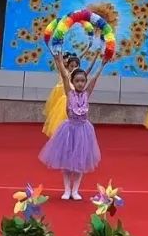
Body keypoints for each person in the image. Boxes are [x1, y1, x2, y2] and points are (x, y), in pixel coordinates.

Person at [39, 49, 108, 200]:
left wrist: (102, 65)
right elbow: (64, 75)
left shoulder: (86, 93)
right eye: (77, 81)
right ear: (72, 81)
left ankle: (75, 190)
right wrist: (58, 59)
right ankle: (66, 189)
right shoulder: (69, 92)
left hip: (83, 130)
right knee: (67, 162)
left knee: (80, 161)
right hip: (69, 130)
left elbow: (94, 79)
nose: (80, 83)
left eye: (83, 81)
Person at [44, 52, 83, 138]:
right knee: (60, 115)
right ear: (68, 65)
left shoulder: (78, 76)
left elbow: (79, 57)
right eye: (71, 66)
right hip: (62, 95)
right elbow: (59, 62)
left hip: (73, 100)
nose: (73, 68)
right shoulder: (65, 72)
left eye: (75, 66)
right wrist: (57, 53)